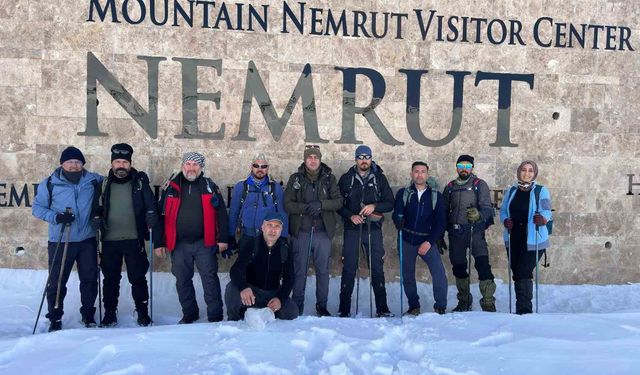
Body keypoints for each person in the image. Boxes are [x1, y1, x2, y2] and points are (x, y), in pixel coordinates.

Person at [32, 146, 103, 332]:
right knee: (57, 280)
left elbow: (115, 180)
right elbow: (37, 209)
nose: (73, 165)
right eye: (70, 162)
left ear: (82, 164)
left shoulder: (93, 180)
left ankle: (88, 315)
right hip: (61, 239)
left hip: (87, 239)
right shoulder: (49, 183)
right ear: (62, 163)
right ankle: (55, 317)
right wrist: (56, 217)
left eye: (77, 162)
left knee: (89, 279)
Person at [154, 152, 229, 324]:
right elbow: (159, 215)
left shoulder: (209, 186)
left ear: (201, 168)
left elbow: (222, 214)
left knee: (210, 279)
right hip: (178, 243)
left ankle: (215, 315)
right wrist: (159, 242)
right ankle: (189, 313)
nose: (191, 168)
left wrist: (223, 238)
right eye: (188, 164)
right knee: (182, 280)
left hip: (205, 242)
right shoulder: (171, 187)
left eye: (195, 165)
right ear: (182, 166)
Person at [92, 143, 159, 327]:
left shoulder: (139, 182)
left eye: (124, 162)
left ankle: (142, 311)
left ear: (130, 163)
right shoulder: (104, 184)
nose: (121, 165)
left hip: (133, 239)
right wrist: (96, 217)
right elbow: (96, 207)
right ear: (112, 163)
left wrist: (151, 215)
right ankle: (110, 313)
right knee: (111, 279)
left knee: (137, 277)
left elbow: (150, 204)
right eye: (118, 162)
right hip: (109, 241)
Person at [337, 145, 395, 318]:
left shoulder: (380, 178)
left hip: (373, 229)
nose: (364, 160)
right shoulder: (346, 179)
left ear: (371, 159)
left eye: (367, 157)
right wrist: (350, 216)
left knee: (377, 267)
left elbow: (390, 202)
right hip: (352, 229)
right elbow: (338, 204)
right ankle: (344, 309)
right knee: (349, 268)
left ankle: (382, 308)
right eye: (360, 157)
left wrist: (374, 206)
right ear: (355, 159)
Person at [284, 145, 342, 316]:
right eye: (309, 157)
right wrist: (305, 208)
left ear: (320, 159)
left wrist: (322, 205)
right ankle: (297, 304)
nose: (313, 160)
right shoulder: (295, 178)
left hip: (322, 232)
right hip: (301, 231)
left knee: (323, 271)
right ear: (304, 159)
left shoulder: (329, 178)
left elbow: (338, 201)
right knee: (299, 270)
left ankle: (321, 305)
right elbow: (287, 204)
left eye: (316, 157)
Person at [442, 155, 497, 312]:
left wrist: (479, 214)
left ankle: (487, 302)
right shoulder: (450, 186)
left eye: (467, 166)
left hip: (475, 232)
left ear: (472, 168)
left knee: (482, 266)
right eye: (461, 166)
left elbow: (487, 208)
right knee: (458, 267)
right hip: (456, 233)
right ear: (456, 167)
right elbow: (443, 211)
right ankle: (464, 301)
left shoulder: (480, 184)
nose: (464, 169)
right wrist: (440, 233)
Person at [393, 161, 448, 315]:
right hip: (407, 239)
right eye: (416, 171)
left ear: (427, 175)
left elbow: (440, 222)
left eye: (422, 171)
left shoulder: (436, 196)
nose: (419, 174)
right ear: (411, 174)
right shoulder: (403, 193)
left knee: (439, 273)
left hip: (427, 241)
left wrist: (429, 242)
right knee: (407, 275)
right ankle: (413, 305)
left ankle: (440, 306)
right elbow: (397, 212)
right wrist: (398, 219)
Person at [225, 212, 299, 321]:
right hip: (252, 292)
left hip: (272, 293)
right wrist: (244, 287)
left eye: (277, 226)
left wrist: (280, 299)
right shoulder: (252, 244)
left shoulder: (285, 248)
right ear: (263, 227)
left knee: (292, 311)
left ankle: (266, 313)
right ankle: (237, 319)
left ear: (281, 230)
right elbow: (236, 269)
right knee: (231, 289)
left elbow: (289, 278)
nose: (273, 230)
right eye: (269, 225)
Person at [500, 160, 552, 314]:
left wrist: (542, 219)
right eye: (524, 170)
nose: (527, 173)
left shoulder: (540, 191)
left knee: (523, 271)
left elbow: (547, 210)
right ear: (519, 172)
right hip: (514, 237)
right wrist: (505, 220)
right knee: (517, 272)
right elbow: (503, 210)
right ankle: (520, 309)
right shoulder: (511, 191)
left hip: (533, 238)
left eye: (530, 170)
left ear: (534, 173)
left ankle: (524, 310)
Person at [227, 153, 288, 251]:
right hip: (246, 235)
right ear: (251, 167)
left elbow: (282, 213)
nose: (260, 169)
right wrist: (230, 235)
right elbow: (234, 212)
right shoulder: (241, 186)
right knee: (245, 264)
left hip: (267, 237)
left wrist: (283, 237)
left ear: (268, 168)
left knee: (264, 265)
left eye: (263, 166)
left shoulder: (275, 188)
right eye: (256, 166)